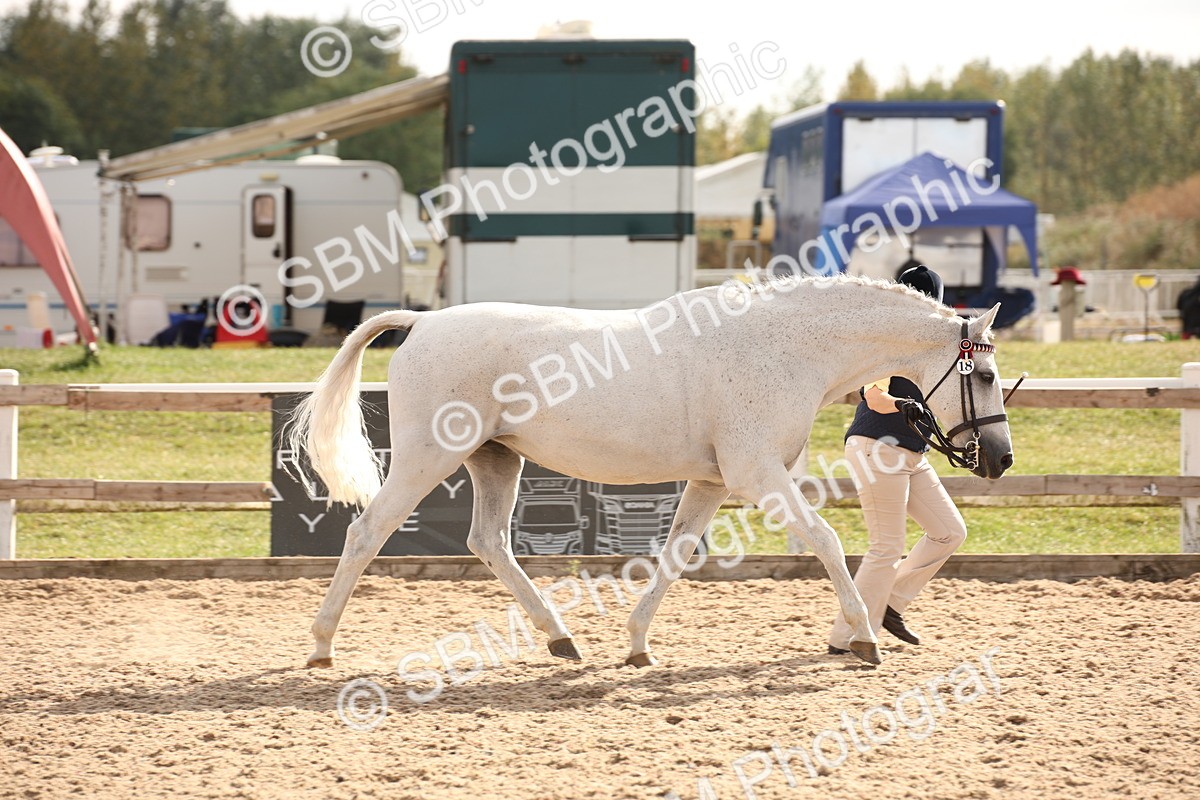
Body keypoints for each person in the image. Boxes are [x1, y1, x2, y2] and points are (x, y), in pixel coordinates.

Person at [827, 265, 968, 656]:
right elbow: (873, 397)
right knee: (886, 547)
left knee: (949, 532)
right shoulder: (883, 345)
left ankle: (890, 604)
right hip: (878, 446)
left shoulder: (931, 349)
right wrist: (903, 403)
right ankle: (848, 636)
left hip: (912, 452)